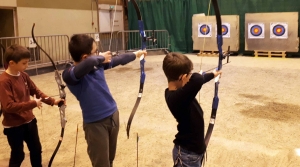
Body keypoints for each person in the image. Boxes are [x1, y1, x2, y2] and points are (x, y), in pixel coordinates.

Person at [62, 34, 147, 167]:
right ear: (85, 57)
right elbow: (90, 62)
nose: (98, 53)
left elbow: (119, 59)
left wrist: (136, 54)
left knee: (110, 159)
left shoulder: (96, 65)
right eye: (95, 52)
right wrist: (101, 57)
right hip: (95, 124)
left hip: (113, 115)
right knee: (101, 164)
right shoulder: (69, 74)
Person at [0, 44, 65, 167]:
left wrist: (53, 101)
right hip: (14, 127)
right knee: (18, 155)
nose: (27, 66)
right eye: (24, 63)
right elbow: (8, 106)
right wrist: (33, 104)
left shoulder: (24, 76)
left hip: (29, 121)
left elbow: (36, 92)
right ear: (12, 63)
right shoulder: (4, 81)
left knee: (36, 150)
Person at [162, 52, 222, 167]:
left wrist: (213, 74)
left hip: (191, 152)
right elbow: (197, 80)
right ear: (183, 78)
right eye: (188, 75)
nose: (190, 77)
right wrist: (196, 75)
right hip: (187, 155)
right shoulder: (177, 98)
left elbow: (197, 81)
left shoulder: (178, 92)